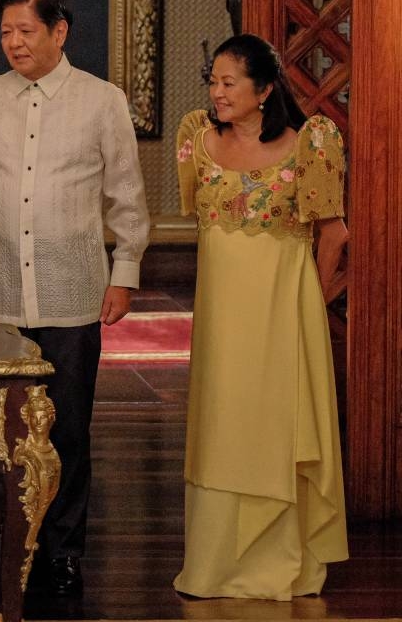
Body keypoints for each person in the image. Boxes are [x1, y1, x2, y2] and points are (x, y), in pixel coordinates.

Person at [0, 0, 149, 598]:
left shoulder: (102, 102)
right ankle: (3, 558)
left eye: (26, 31)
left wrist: (126, 272)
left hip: (73, 293)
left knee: (66, 435)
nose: (13, 43)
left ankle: (61, 556)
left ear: (60, 32)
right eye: (5, 32)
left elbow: (127, 196)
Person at [173, 34, 348, 599]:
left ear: (264, 89)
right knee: (224, 422)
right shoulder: (197, 142)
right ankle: (214, 565)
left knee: (273, 422)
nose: (216, 93)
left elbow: (333, 234)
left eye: (229, 83)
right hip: (224, 324)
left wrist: (308, 309)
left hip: (283, 316)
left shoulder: (310, 145)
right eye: (213, 82)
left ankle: (279, 563)